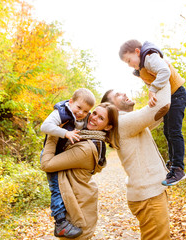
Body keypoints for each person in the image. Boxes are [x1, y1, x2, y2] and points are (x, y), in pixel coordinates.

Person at [101, 82, 172, 240]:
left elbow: (161, 113)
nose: (124, 94)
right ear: (112, 107)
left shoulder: (128, 123)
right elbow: (162, 105)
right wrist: (163, 76)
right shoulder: (123, 123)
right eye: (118, 95)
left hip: (150, 194)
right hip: (149, 197)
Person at [41, 102, 120, 239]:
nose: (94, 118)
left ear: (108, 126)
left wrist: (53, 132)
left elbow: (47, 164)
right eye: (94, 113)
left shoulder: (86, 148)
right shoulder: (89, 138)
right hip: (79, 207)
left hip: (77, 215)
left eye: (101, 118)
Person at [119, 39, 186, 186]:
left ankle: (178, 168)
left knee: (174, 131)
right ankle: (172, 163)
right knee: (168, 132)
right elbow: (154, 82)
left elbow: (165, 71)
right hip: (170, 97)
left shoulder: (149, 57)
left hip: (177, 95)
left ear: (138, 52)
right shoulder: (142, 68)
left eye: (129, 60)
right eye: (126, 63)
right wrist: (153, 96)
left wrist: (153, 89)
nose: (129, 64)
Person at [40, 88, 95, 238]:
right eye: (78, 107)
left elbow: (84, 132)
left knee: (65, 187)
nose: (81, 113)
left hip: (62, 156)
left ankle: (68, 217)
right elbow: (44, 127)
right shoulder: (61, 112)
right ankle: (60, 223)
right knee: (56, 188)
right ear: (70, 102)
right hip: (50, 154)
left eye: (85, 111)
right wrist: (65, 133)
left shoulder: (82, 117)